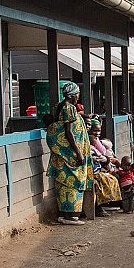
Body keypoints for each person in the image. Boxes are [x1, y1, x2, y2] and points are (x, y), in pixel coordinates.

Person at [46, 81, 92, 225]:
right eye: (77, 94)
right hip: (70, 153)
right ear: (73, 95)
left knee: (64, 182)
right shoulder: (69, 108)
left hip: (64, 154)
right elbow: (68, 132)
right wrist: (78, 153)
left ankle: (66, 215)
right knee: (73, 182)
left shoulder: (59, 107)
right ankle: (70, 216)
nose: (78, 96)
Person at [87, 119, 122, 216]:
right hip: (92, 171)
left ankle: (112, 202)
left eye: (99, 131)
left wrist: (106, 159)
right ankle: (99, 207)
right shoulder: (90, 140)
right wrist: (106, 160)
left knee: (114, 177)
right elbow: (98, 156)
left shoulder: (96, 140)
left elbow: (102, 155)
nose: (97, 133)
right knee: (104, 181)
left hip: (100, 167)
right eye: (95, 130)